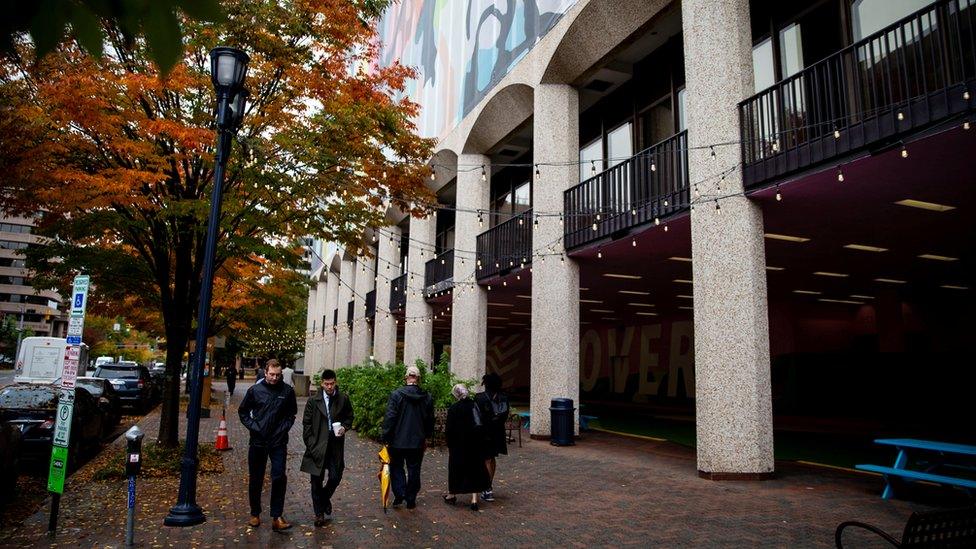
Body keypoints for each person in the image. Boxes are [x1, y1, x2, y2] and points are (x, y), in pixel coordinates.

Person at [238, 359, 297, 531]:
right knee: (256, 477)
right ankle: (255, 513)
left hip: (278, 441)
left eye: (278, 375)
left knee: (279, 476)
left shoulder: (287, 392)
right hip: (258, 441)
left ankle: (277, 516)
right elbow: (243, 412)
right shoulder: (255, 390)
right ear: (266, 372)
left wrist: (283, 429)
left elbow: (291, 414)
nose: (274, 378)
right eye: (272, 374)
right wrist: (254, 427)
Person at [301, 369, 353, 527]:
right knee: (316, 480)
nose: (329, 387)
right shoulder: (313, 401)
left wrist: (344, 427)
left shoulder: (343, 398)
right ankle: (319, 514)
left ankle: (323, 499)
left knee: (336, 476)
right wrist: (311, 444)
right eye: (326, 384)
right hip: (317, 443)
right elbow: (307, 424)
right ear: (322, 384)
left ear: (335, 382)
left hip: (335, 443)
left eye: (332, 384)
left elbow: (349, 416)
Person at [381, 365, 434, 509]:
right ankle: (411, 497)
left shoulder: (396, 395)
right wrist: (427, 437)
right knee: (414, 469)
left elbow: (390, 417)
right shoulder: (427, 397)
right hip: (417, 441)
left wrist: (385, 435)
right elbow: (430, 420)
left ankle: (400, 493)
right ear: (419, 379)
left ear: (406, 378)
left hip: (397, 440)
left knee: (396, 467)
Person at [444, 384, 490, 511]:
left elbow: (449, 429)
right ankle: (474, 499)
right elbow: (481, 423)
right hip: (474, 443)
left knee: (455, 468)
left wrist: (449, 443)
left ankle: (452, 494)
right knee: (475, 468)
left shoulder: (454, 408)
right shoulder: (474, 406)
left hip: (458, 444)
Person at [475, 372, 509, 502]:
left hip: (484, 432)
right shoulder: (504, 397)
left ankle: (487, 488)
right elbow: (505, 415)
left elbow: (476, 416)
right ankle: (489, 485)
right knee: (492, 458)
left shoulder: (479, 398)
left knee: (486, 459)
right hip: (498, 432)